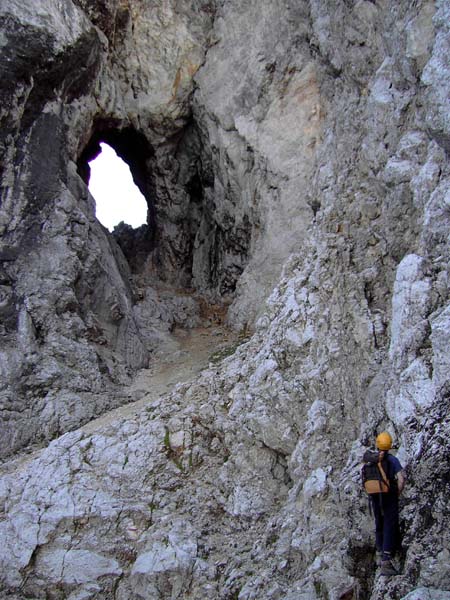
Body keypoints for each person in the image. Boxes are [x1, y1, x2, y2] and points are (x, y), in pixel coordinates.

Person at [370, 431, 406, 576]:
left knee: (379, 521)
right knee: (389, 524)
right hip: (388, 495)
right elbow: (401, 479)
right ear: (390, 445)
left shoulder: (371, 459)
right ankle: (386, 560)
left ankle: (379, 552)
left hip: (374, 495)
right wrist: (397, 492)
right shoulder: (392, 460)